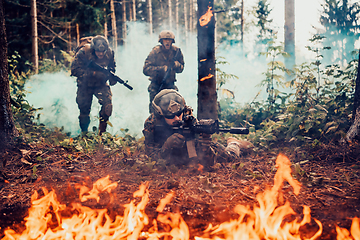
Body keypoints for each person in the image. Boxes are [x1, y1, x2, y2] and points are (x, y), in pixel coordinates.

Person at [142, 89, 251, 168]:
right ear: (160, 115)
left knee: (230, 158)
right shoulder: (152, 124)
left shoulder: (188, 118)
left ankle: (234, 143)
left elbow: (204, 158)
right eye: (170, 116)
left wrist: (205, 143)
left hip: (191, 149)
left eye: (179, 114)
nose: (177, 118)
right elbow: (152, 157)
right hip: (170, 155)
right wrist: (167, 146)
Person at [71, 35, 118, 135]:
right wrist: (93, 73)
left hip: (100, 83)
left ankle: (102, 134)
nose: (101, 54)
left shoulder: (109, 53)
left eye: (103, 51)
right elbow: (74, 70)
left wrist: (111, 76)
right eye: (98, 51)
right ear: (93, 49)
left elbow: (112, 66)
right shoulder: (84, 52)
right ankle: (84, 133)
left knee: (107, 105)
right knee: (84, 110)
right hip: (84, 84)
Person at [143, 30, 185, 113]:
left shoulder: (176, 51)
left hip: (170, 85)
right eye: (165, 40)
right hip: (156, 85)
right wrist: (161, 69)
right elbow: (146, 69)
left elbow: (181, 68)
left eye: (169, 40)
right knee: (155, 111)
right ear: (161, 41)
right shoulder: (155, 52)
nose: (167, 42)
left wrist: (176, 65)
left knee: (175, 110)